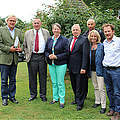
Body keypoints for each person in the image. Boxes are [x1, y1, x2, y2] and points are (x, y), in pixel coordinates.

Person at [23, 18, 50, 102]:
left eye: (38, 23)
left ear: (41, 23)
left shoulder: (46, 32)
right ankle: (33, 94)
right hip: (32, 57)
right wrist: (27, 54)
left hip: (42, 57)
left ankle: (43, 95)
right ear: (32, 24)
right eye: (35, 23)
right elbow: (24, 45)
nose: (36, 24)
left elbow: (49, 44)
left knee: (43, 77)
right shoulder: (27, 33)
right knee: (32, 77)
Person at [0, 15, 23, 106]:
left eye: (14, 21)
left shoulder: (18, 31)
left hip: (14, 59)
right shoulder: (1, 30)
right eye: (10, 20)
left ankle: (12, 97)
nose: (12, 22)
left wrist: (21, 49)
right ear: (7, 21)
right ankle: (4, 98)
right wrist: (9, 49)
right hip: (4, 59)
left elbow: (23, 42)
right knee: (4, 80)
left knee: (13, 80)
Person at [45, 23, 69, 108]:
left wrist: (56, 57)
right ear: (52, 30)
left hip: (61, 64)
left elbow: (67, 53)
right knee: (54, 82)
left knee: (60, 82)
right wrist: (49, 55)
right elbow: (46, 51)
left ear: (60, 30)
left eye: (57, 29)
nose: (56, 30)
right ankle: (55, 98)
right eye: (54, 29)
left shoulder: (64, 40)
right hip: (51, 64)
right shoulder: (49, 40)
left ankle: (62, 100)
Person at [68, 24, 89, 111]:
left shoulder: (84, 40)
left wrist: (84, 67)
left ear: (80, 31)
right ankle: (76, 99)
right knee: (74, 84)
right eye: (74, 30)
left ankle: (80, 103)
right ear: (72, 31)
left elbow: (85, 55)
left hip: (80, 67)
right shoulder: (69, 40)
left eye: (77, 29)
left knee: (80, 85)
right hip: (71, 67)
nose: (75, 31)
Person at [102, 24, 120, 120]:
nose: (107, 33)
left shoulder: (118, 41)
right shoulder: (104, 42)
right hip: (106, 69)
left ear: (113, 31)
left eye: (109, 31)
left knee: (117, 92)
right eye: (105, 31)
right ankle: (112, 108)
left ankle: (118, 112)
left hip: (116, 70)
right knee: (109, 90)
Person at [88, 30, 106, 114]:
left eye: (95, 36)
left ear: (98, 37)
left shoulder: (101, 46)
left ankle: (103, 105)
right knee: (95, 87)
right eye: (91, 36)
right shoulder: (89, 47)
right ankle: (97, 101)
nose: (93, 38)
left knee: (101, 88)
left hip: (100, 70)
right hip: (92, 70)